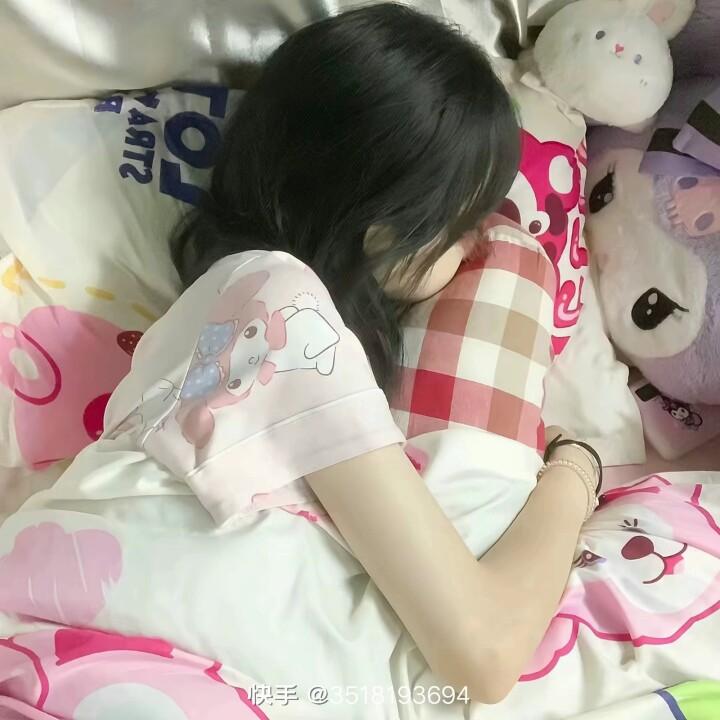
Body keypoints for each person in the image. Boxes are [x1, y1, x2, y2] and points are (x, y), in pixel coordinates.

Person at [0, 4, 601, 713]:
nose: (478, 248)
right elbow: (484, 652)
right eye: (461, 226)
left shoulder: (214, 325)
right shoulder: (280, 305)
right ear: (383, 234)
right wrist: (575, 473)